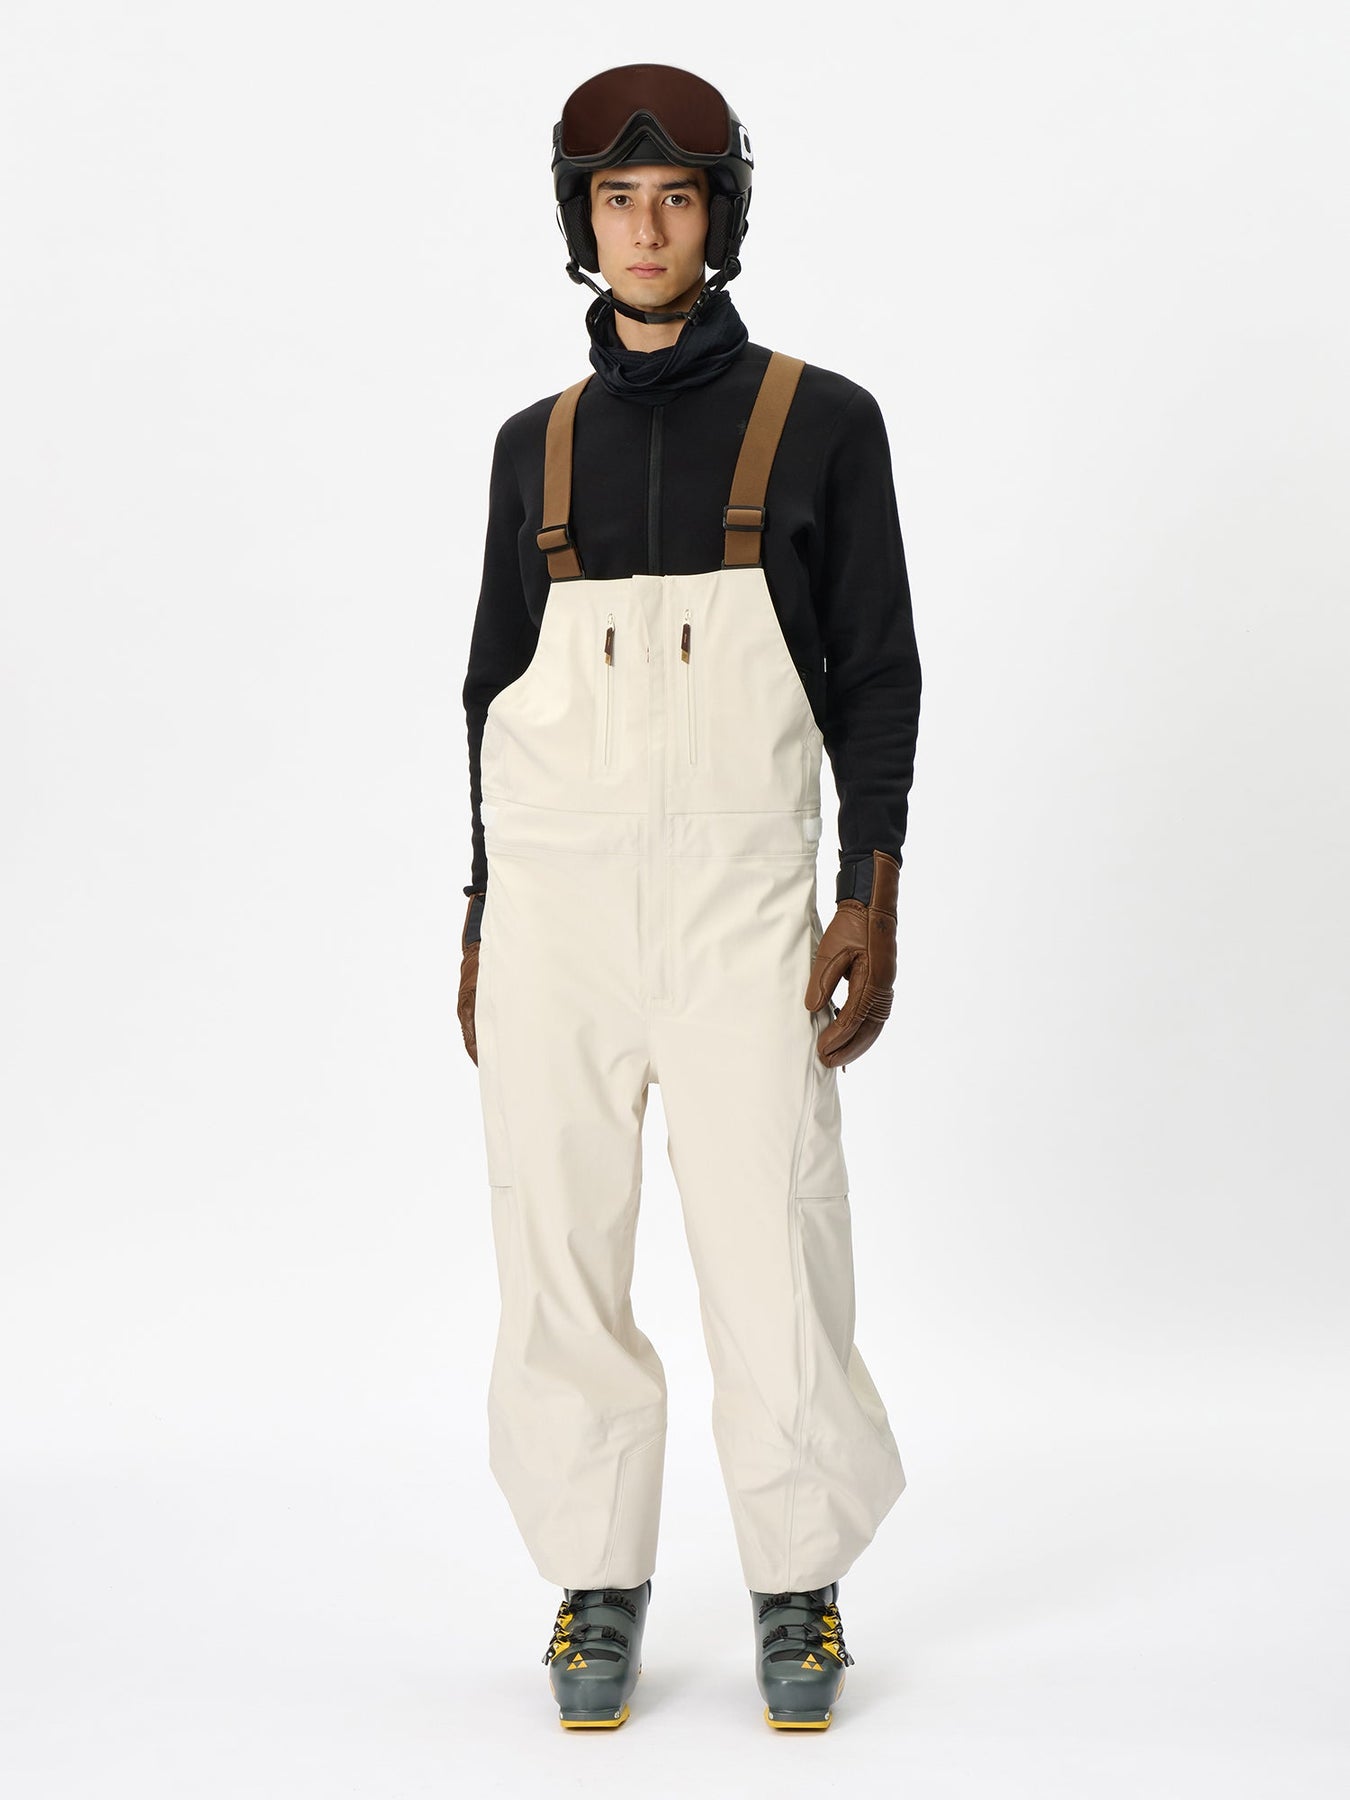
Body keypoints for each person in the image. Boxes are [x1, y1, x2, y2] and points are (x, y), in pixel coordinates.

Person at [456, 62, 922, 1732]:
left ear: (719, 215)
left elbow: (875, 675)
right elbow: (487, 691)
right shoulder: (533, 448)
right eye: (615, 199)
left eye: (674, 197)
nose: (644, 228)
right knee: (555, 1243)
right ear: (578, 220)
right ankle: (597, 1580)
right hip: (556, 913)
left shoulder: (823, 421)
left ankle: (798, 1582)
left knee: (771, 1240)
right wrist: (479, 915)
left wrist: (868, 892)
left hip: (740, 907)